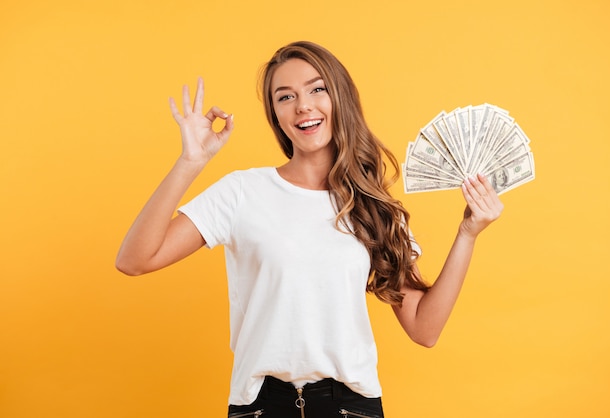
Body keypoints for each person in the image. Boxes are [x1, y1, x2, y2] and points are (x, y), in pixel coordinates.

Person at [116, 41, 503, 418]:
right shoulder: (242, 191)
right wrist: (190, 161)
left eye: (317, 89)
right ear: (276, 116)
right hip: (261, 407)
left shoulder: (374, 208)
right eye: (284, 97)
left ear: (340, 99)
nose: (303, 105)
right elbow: (135, 260)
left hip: (351, 406)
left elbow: (425, 328)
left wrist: (468, 233)